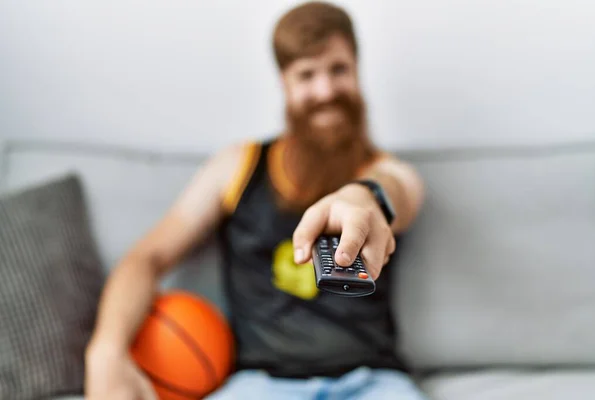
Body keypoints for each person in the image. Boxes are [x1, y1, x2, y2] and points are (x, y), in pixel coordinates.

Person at [84, 2, 427, 399]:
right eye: (306, 75)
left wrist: (362, 197)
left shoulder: (389, 172)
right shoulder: (237, 166)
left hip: (373, 381)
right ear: (284, 83)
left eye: (338, 69)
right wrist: (106, 350)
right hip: (262, 384)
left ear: (357, 71)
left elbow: (395, 190)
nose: (325, 90)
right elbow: (147, 258)